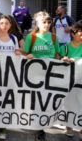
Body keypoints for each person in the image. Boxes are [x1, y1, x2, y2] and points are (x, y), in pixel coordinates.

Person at [23, 11, 60, 141]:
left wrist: (64, 59)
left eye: (49, 22)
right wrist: (27, 56)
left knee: (46, 102)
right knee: (36, 102)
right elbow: (24, 54)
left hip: (50, 75)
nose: (47, 24)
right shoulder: (31, 37)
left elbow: (58, 55)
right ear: (37, 23)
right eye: (44, 22)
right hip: (33, 76)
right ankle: (38, 129)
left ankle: (41, 126)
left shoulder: (54, 37)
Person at [0, 15, 21, 140]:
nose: (4, 25)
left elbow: (17, 53)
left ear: (10, 25)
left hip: (10, 75)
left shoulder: (14, 38)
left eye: (7, 23)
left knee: (6, 101)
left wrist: (18, 54)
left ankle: (2, 125)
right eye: (2, 23)